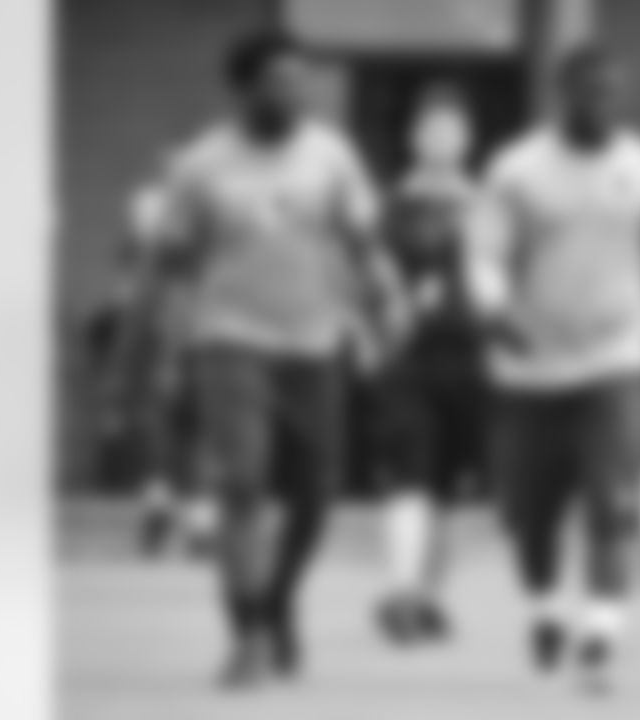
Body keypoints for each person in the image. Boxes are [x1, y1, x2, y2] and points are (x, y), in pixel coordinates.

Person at [147, 30, 395, 688]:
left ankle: (278, 597)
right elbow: (172, 265)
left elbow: (363, 241)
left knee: (316, 498)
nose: (294, 93)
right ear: (244, 89)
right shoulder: (201, 165)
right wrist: (170, 348)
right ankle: (248, 633)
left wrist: (384, 301)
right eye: (279, 82)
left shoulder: (332, 155)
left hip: (315, 341)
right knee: (242, 485)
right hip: (229, 339)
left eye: (300, 81)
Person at [466, 48, 640, 692]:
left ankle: (598, 637)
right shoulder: (515, 170)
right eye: (589, 91)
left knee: (615, 503)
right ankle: (544, 608)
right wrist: (492, 308)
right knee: (531, 517)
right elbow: (484, 254)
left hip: (617, 360)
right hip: (530, 367)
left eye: (613, 92)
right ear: (560, 93)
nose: (602, 104)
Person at [372, 83, 485, 645]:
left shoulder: (488, 201)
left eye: (453, 128)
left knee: (452, 485)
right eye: (432, 128)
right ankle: (400, 593)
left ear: (468, 139)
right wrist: (389, 306)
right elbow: (367, 267)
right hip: (408, 355)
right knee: (407, 472)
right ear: (413, 137)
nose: (443, 138)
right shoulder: (391, 204)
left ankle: (433, 597)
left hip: (472, 356)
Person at [123, 180, 215, 559]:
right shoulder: (178, 266)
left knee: (175, 439)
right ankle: (189, 519)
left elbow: (144, 321)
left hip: (183, 354)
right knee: (182, 441)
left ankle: (180, 516)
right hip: (188, 354)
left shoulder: (166, 268)